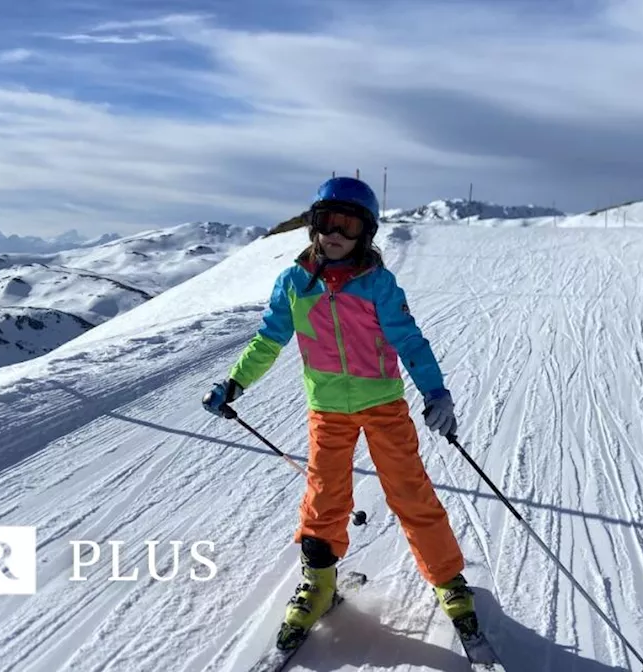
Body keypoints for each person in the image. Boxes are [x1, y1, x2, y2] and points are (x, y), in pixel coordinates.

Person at [202, 176, 478, 647]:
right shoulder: (294, 282)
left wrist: (436, 393)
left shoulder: (378, 284)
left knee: (410, 493)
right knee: (325, 498)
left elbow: (408, 341)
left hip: (383, 405)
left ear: (364, 234)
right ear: (314, 224)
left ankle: (448, 581)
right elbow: (270, 338)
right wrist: (235, 382)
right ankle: (320, 583)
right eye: (328, 221)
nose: (336, 233)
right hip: (327, 410)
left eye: (348, 226)